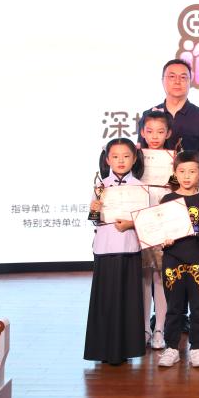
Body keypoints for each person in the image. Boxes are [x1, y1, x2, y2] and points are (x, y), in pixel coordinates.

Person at [84, 138, 146, 366]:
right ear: (107, 159)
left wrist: (131, 223)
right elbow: (94, 220)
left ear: (134, 159)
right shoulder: (101, 186)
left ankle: (125, 349)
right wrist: (94, 210)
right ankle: (104, 349)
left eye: (126, 156)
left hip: (129, 248)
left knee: (127, 301)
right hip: (105, 248)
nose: (121, 161)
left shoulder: (140, 187)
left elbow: (146, 220)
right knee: (105, 301)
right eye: (115, 156)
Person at [156, 151, 199, 368]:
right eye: (182, 171)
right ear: (175, 173)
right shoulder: (168, 200)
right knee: (174, 306)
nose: (187, 176)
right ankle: (171, 348)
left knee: (198, 306)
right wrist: (164, 239)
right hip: (173, 258)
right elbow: (159, 230)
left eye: (192, 171)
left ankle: (197, 348)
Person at [137, 112, 173, 350]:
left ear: (168, 133)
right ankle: (143, 329)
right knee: (143, 278)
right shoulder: (136, 157)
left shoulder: (173, 159)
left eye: (160, 131)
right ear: (142, 132)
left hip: (164, 221)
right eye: (149, 131)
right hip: (140, 221)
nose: (155, 136)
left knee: (161, 278)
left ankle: (160, 327)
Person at [138, 59, 199, 156]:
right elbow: (141, 151)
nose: (177, 81)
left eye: (183, 77)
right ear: (162, 81)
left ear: (190, 81)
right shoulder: (148, 115)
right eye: (172, 77)